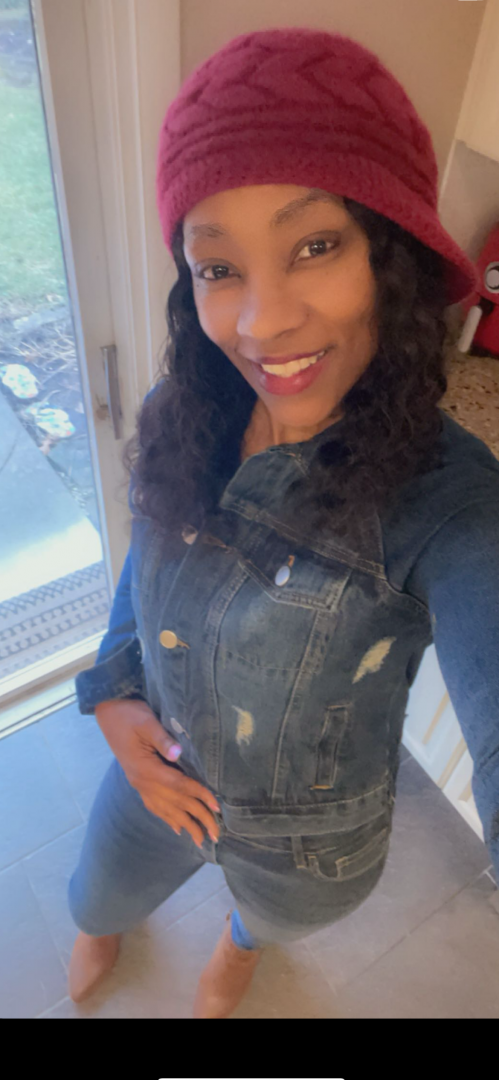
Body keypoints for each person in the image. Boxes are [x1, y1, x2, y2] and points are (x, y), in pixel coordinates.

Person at [67, 27, 499, 1019]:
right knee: (93, 895)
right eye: (218, 267)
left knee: (264, 921)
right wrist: (114, 694)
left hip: (311, 850)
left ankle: (238, 944)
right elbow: (147, 560)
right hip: (156, 774)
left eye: (314, 246)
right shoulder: (187, 412)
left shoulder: (450, 502)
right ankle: (101, 920)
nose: (262, 322)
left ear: (387, 256)